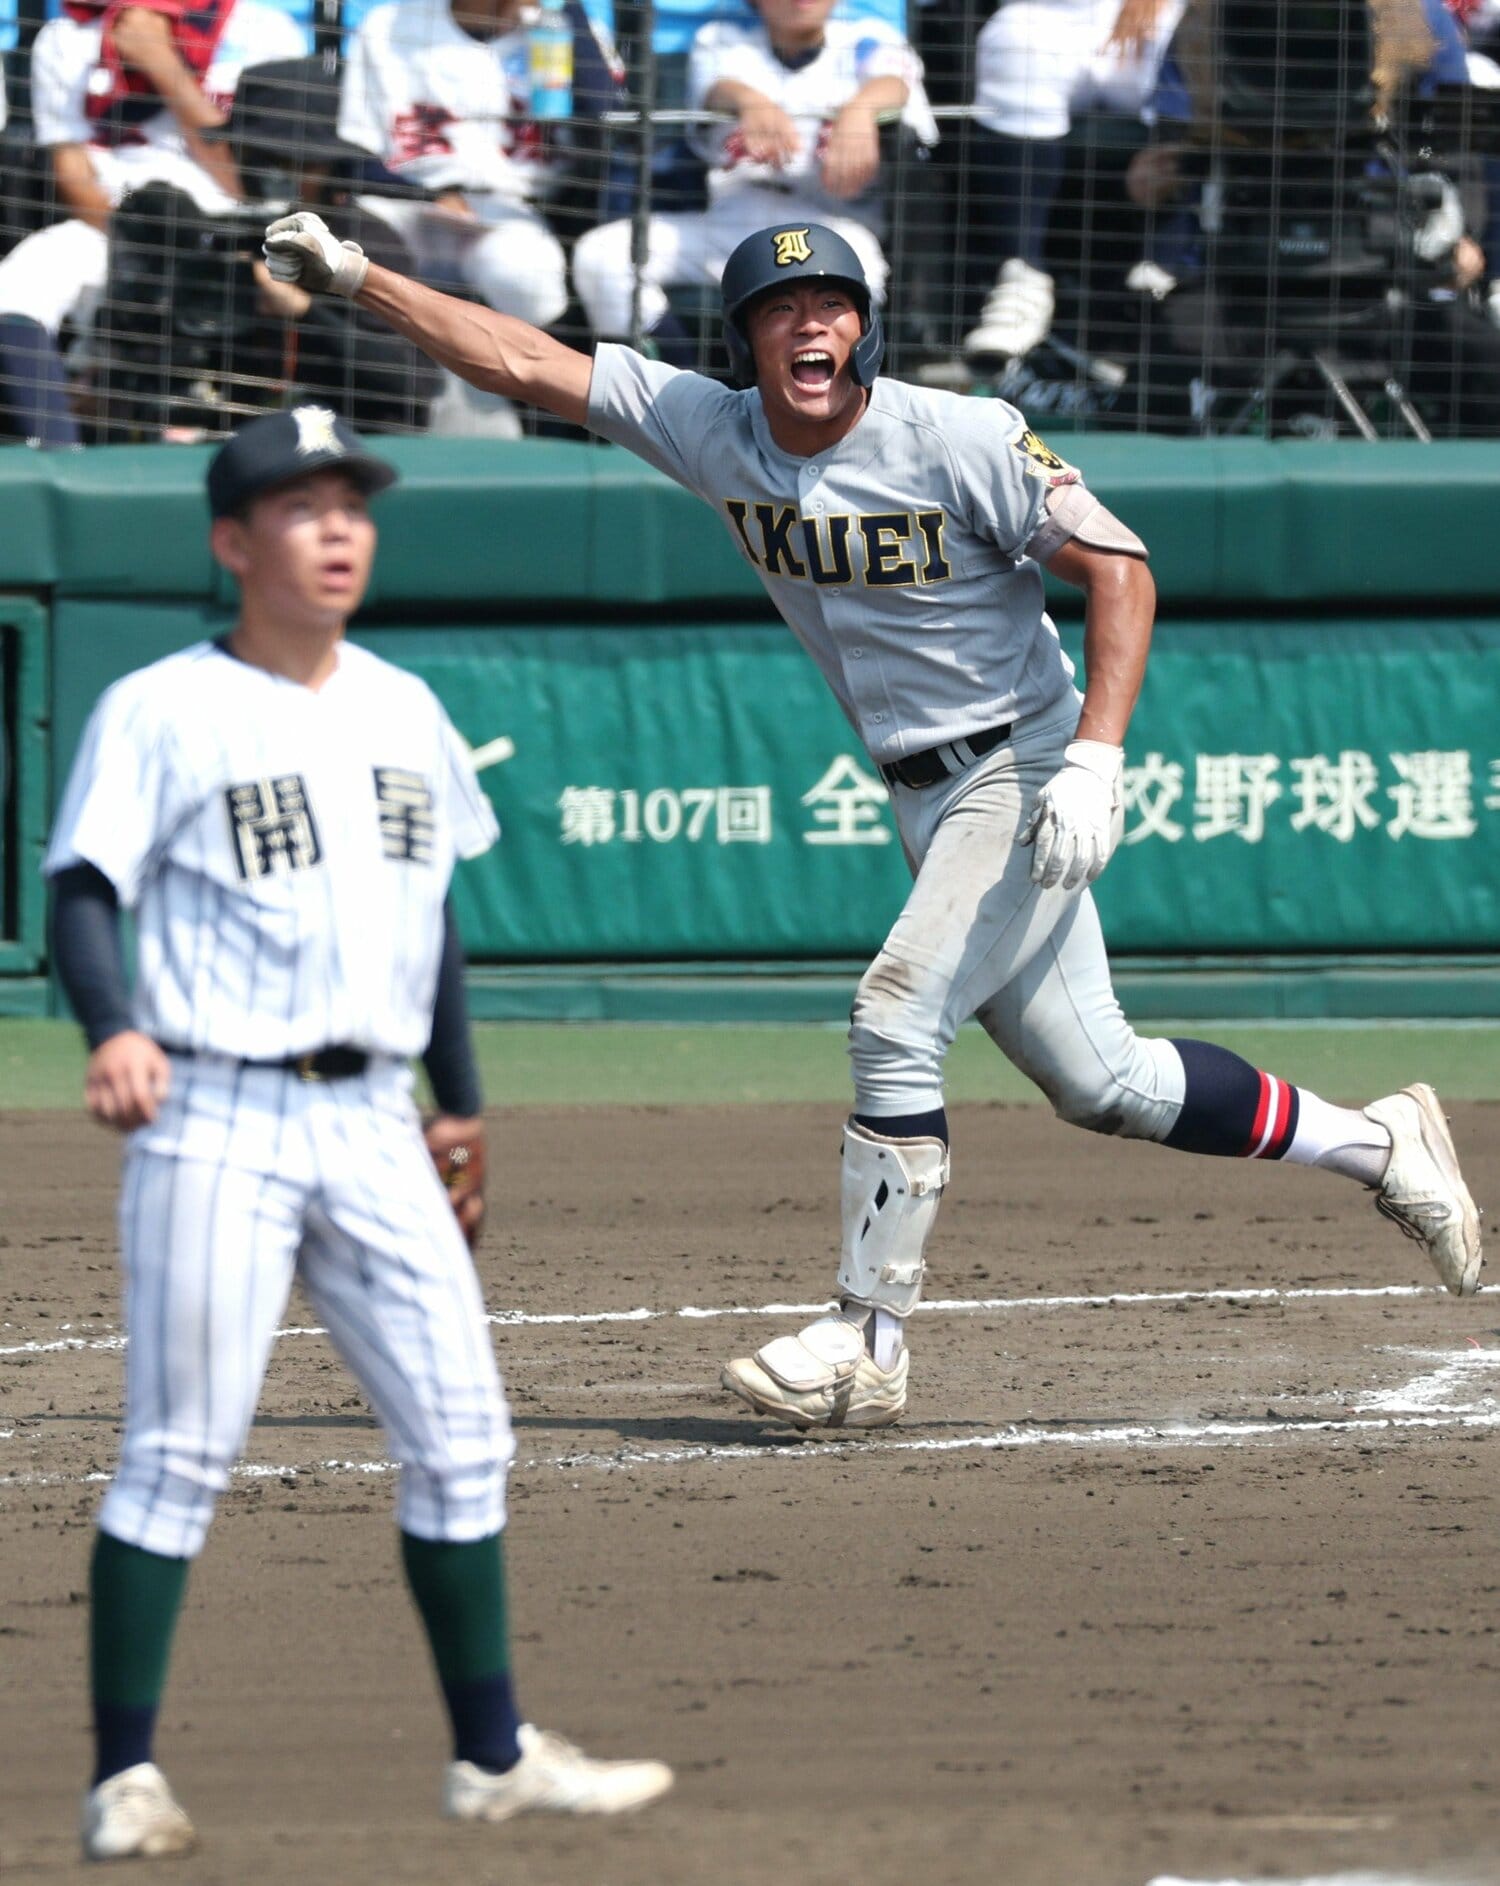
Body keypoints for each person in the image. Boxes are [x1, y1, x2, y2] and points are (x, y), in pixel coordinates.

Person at [262, 211, 1484, 1438]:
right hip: (924, 790)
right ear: (745, 340)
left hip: (1021, 765)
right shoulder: (712, 427)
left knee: (895, 1017)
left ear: (867, 325)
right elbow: (520, 359)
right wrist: (365, 277)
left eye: (833, 304)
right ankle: (1380, 1144)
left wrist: (1098, 760)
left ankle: (865, 1339)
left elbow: (1119, 566)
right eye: (782, 309)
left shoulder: (957, 435)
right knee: (1105, 1081)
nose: (812, 324)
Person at [45, 406, 673, 1860]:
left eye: (352, 505)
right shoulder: (161, 706)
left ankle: (492, 1753)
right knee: (178, 1452)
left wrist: (460, 1097)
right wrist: (112, 1029)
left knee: (466, 1438)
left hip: (378, 1120)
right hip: (215, 1114)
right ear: (231, 542)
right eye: (301, 507)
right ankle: (125, 1776)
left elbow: (434, 913)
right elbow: (83, 887)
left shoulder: (401, 704)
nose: (337, 530)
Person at [0, 0, 306, 446]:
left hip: (229, 230)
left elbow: (246, 181)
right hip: (115, 221)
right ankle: (60, 456)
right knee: (17, 286)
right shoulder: (65, 35)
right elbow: (72, 168)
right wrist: (137, 238)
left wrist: (161, 61)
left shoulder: (263, 30)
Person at [571, 0, 933, 364]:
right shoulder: (722, 39)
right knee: (601, 257)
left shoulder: (867, 39)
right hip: (736, 219)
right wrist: (749, 101)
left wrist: (862, 111)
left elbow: (895, 81)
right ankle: (677, 385)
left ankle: (833, 403)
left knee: (862, 275)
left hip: (831, 226)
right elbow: (717, 86)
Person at [963, 0, 1187, 366]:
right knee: (1014, 38)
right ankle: (1022, 279)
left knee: (1201, 43)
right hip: (1054, 14)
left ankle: (1167, 270)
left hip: (1167, 15)